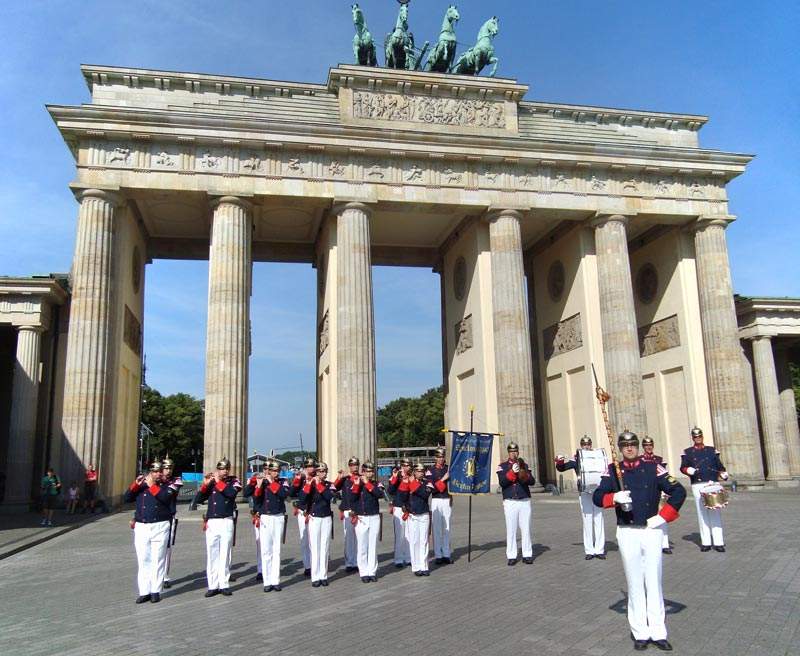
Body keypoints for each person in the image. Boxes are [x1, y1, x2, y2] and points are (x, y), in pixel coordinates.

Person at [593, 431, 686, 651]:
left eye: (632, 444)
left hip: (650, 529)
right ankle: (640, 632)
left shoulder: (653, 467)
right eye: (624, 445)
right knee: (635, 583)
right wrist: (613, 497)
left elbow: (678, 490)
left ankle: (658, 630)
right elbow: (597, 496)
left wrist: (663, 516)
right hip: (627, 531)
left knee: (653, 580)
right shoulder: (614, 471)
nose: (629, 448)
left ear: (637, 446)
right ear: (620, 448)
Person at [124, 460, 182, 604]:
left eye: (159, 471)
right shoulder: (142, 484)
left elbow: (165, 497)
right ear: (150, 472)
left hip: (160, 525)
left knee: (158, 558)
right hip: (142, 525)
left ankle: (155, 590)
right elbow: (127, 498)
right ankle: (144, 591)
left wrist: (151, 485)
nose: (157, 474)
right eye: (154, 472)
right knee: (143, 559)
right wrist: (136, 485)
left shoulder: (170, 484)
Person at [555, 435, 608, 560]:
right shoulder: (577, 458)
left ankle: (599, 549)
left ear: (591, 444)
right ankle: (589, 550)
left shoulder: (597, 455)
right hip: (584, 492)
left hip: (598, 491)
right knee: (587, 520)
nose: (586, 446)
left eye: (588, 444)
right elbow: (562, 468)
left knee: (599, 519)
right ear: (581, 446)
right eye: (584, 445)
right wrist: (559, 462)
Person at [196, 457, 241, 597]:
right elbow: (199, 499)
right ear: (217, 469)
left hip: (226, 520)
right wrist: (205, 485)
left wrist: (218, 481)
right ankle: (213, 585)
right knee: (212, 554)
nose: (224, 471)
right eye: (221, 469)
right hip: (212, 521)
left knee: (224, 553)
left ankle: (224, 584)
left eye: (227, 469)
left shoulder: (234, 481)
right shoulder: (212, 482)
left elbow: (231, 494)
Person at [680, 427, 728, 552]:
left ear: (702, 437)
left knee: (715, 512)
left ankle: (719, 542)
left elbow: (719, 466)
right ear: (692, 438)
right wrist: (688, 470)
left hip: (712, 483)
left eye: (699, 436)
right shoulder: (688, 452)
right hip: (698, 484)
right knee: (702, 514)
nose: (698, 438)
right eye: (695, 437)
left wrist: (723, 473)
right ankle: (706, 542)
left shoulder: (712, 451)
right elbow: (683, 467)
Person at [247, 459, 289, 593]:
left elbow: (284, 494)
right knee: (266, 550)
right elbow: (255, 498)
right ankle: (267, 580)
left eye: (277, 471)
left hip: (278, 516)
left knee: (276, 550)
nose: (275, 473)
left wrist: (272, 482)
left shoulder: (282, 482)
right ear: (268, 471)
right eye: (272, 471)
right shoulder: (263, 482)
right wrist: (258, 485)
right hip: (266, 516)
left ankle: (275, 580)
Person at [496, 442, 535, 565]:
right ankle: (512, 555)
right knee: (511, 530)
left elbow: (532, 482)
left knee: (526, 529)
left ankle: (527, 554)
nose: (514, 453)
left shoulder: (524, 464)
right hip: (510, 501)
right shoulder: (502, 466)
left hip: (524, 500)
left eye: (516, 451)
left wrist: (524, 473)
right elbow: (502, 483)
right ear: (508, 453)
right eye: (512, 452)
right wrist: (512, 472)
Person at [299, 461, 336, 587]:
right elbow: (302, 499)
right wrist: (309, 485)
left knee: (324, 547)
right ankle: (315, 576)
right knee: (314, 548)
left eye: (324, 471)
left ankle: (323, 575)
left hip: (326, 517)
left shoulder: (329, 485)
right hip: (314, 518)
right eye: (319, 471)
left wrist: (319, 485)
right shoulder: (310, 484)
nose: (322, 473)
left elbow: (329, 496)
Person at [351, 461, 383, 583]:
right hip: (362, 517)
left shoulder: (376, 483)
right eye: (367, 471)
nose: (369, 473)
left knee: (373, 545)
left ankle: (372, 571)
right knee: (362, 546)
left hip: (374, 516)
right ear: (362, 471)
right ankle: (363, 572)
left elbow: (379, 494)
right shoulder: (357, 483)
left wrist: (367, 484)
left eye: (371, 471)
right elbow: (352, 499)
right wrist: (358, 485)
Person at [640, 437, 672, 554]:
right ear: (643, 447)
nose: (649, 447)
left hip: (659, 490)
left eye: (650, 445)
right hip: (646, 492)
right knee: (647, 517)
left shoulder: (659, 459)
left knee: (661, 518)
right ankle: (649, 542)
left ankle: (664, 544)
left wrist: (666, 490)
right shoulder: (639, 460)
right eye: (646, 445)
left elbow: (664, 476)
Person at [289, 457, 317, 577]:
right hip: (303, 511)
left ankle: (315, 564)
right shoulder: (301, 478)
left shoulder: (317, 478)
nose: (311, 469)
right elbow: (292, 492)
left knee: (314, 541)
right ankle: (307, 566)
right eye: (308, 467)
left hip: (314, 512)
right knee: (304, 539)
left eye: (312, 466)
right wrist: (298, 479)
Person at [334, 456, 360, 573]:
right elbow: (334, 487)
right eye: (352, 465)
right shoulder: (345, 479)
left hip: (359, 511)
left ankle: (358, 561)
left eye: (356, 465)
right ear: (349, 466)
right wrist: (339, 477)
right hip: (348, 511)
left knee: (359, 538)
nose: (354, 467)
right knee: (349, 538)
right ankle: (350, 562)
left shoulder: (361, 478)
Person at [426, 447, 452, 565]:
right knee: (436, 529)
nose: (441, 459)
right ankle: (438, 555)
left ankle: (446, 554)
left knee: (446, 528)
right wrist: (443, 479)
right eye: (439, 457)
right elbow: (433, 489)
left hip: (446, 499)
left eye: (442, 457)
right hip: (436, 500)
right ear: (435, 458)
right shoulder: (430, 471)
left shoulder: (448, 469)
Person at [386, 457, 413, 568]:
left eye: (408, 465)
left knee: (409, 534)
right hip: (398, 507)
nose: (406, 468)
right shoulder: (397, 477)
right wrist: (395, 477)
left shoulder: (413, 476)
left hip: (410, 507)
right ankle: (398, 558)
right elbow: (390, 491)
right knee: (399, 534)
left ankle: (408, 557)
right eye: (404, 465)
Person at [407, 463, 433, 577]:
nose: (420, 473)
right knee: (414, 541)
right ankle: (416, 566)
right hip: (413, 514)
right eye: (418, 471)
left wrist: (414, 484)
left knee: (424, 541)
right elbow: (402, 495)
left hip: (424, 514)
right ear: (414, 472)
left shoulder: (428, 482)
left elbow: (425, 494)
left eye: (422, 471)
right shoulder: (408, 481)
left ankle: (424, 566)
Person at [160, 456, 182, 588]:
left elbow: (169, 493)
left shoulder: (176, 481)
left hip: (169, 516)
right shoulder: (155, 480)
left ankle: (165, 576)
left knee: (167, 547)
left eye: (170, 468)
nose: (168, 471)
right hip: (155, 518)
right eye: (166, 468)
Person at [242, 463, 264, 582]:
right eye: (265, 469)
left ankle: (270, 570)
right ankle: (261, 570)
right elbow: (245, 494)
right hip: (259, 516)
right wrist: (252, 482)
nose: (266, 471)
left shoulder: (272, 482)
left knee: (272, 546)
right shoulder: (256, 482)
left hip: (271, 517)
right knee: (260, 544)